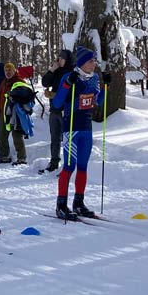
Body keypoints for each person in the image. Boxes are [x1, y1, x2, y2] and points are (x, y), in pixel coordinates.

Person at [52, 46, 110, 219]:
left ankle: (78, 203)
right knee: (69, 166)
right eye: (91, 61)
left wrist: (106, 85)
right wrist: (67, 84)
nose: (94, 64)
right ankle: (61, 204)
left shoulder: (94, 80)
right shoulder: (70, 76)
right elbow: (57, 103)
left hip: (87, 128)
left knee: (83, 167)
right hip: (71, 128)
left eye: (94, 61)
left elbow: (98, 101)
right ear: (83, 63)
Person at [0, 63, 31, 165]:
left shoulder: (20, 82)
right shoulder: (4, 82)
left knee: (16, 135)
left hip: (15, 114)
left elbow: (27, 97)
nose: (8, 73)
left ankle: (22, 158)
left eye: (10, 70)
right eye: (6, 71)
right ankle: (4, 156)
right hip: (3, 113)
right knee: (2, 135)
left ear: (14, 71)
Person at [40, 49, 74, 172]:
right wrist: (51, 70)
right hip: (54, 109)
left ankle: (68, 164)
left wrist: (55, 95)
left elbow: (69, 91)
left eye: (62, 58)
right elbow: (45, 82)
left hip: (66, 110)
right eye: (58, 58)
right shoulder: (57, 71)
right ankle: (54, 162)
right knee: (54, 137)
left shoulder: (72, 73)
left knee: (67, 138)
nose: (59, 61)